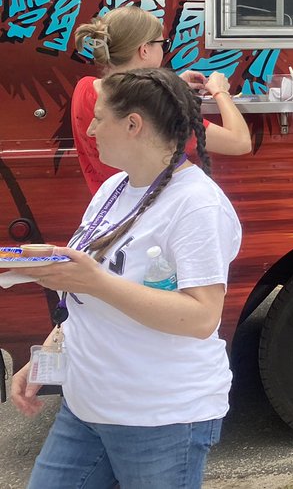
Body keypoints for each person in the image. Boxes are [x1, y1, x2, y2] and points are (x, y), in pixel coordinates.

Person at [6, 68, 242, 489]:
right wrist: (44, 358)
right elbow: (86, 296)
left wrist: (94, 280)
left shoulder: (197, 205)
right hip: (86, 407)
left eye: (100, 118)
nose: (91, 128)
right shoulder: (115, 186)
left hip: (158, 417)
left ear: (133, 124)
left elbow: (202, 317)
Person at [73, 7, 252, 193]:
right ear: (144, 50)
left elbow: (125, 91)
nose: (163, 49)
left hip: (108, 208)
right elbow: (240, 142)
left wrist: (169, 86)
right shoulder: (153, 108)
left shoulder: (84, 88)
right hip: (152, 211)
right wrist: (220, 91)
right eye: (162, 43)